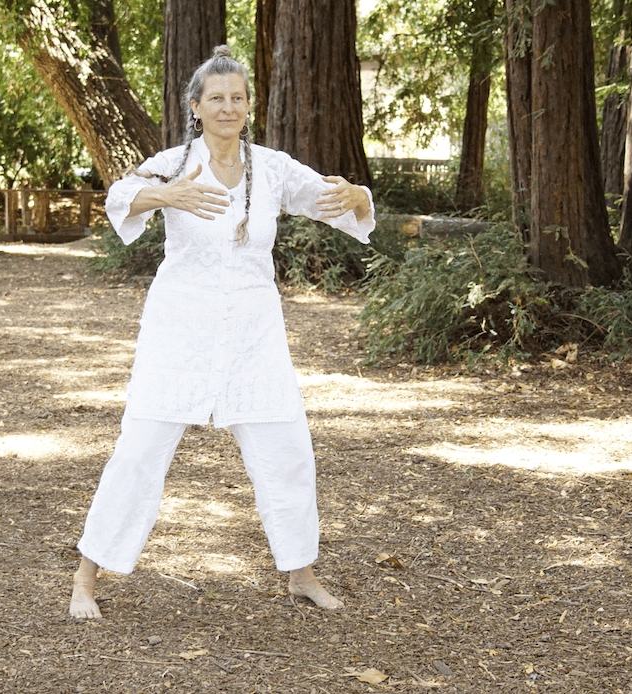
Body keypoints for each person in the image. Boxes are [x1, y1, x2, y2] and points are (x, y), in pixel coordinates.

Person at [70, 45, 374, 620]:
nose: (228, 107)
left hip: (254, 331)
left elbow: (336, 201)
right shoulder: (174, 160)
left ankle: (300, 574)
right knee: (139, 451)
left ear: (248, 105)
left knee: (286, 449)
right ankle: (86, 576)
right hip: (180, 328)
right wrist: (167, 193)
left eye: (237, 98)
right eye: (217, 99)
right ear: (196, 106)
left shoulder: (273, 166)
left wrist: (357, 197)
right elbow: (117, 197)